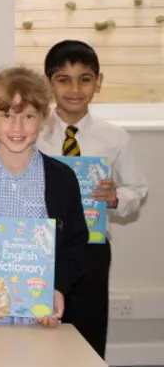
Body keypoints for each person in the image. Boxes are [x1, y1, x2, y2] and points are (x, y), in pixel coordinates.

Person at [0, 66, 88, 326]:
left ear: (44, 117)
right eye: (7, 114)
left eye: (29, 116)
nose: (17, 127)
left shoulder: (62, 179)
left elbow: (76, 243)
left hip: (41, 318)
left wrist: (59, 288)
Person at [37, 40, 148, 358]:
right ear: (49, 83)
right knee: (42, 330)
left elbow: (137, 191)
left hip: (92, 249)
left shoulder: (114, 138)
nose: (75, 88)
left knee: (89, 330)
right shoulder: (34, 133)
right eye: (63, 79)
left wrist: (115, 198)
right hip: (43, 246)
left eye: (85, 78)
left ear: (98, 82)